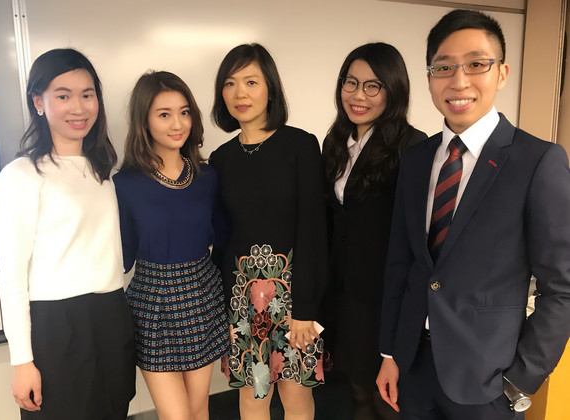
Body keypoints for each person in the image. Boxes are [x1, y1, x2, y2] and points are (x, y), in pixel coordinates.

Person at [376, 9, 570, 420]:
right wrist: (390, 353)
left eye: (476, 64)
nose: (459, 81)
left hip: (489, 382)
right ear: (429, 77)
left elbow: (562, 287)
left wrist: (521, 381)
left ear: (502, 73)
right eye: (444, 67)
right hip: (413, 367)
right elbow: (401, 264)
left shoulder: (538, 161)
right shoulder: (416, 159)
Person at [0, 48, 135, 420]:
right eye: (63, 95)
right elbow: (10, 276)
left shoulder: (103, 172)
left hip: (110, 316)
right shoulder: (21, 175)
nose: (79, 107)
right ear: (38, 102)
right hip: (56, 327)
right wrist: (22, 361)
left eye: (87, 95)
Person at [210, 43, 328, 420]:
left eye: (251, 82)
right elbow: (222, 240)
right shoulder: (221, 159)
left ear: (270, 88)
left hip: (294, 297)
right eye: (230, 84)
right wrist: (223, 312)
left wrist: (305, 309)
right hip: (242, 299)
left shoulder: (301, 145)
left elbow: (314, 230)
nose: (239, 93)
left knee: (295, 393)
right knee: (253, 395)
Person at [113, 71, 229, 420]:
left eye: (184, 112)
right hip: (152, 302)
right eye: (164, 114)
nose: (178, 124)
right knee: (176, 416)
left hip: (202, 296)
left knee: (198, 409)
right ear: (144, 121)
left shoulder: (208, 177)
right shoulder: (125, 184)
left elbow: (223, 241)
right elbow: (121, 257)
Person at [322, 43, 426, 420]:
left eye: (372, 86)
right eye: (351, 82)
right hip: (346, 294)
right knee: (356, 387)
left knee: (389, 398)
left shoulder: (413, 147)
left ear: (393, 90)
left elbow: (417, 239)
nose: (358, 95)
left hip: (385, 298)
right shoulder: (336, 142)